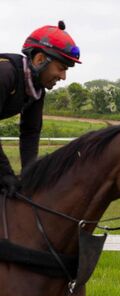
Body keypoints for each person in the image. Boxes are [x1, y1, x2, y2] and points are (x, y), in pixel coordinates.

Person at [0, 21, 80, 195]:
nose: (63, 77)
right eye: (61, 68)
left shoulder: (36, 91)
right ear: (39, 59)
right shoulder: (5, 73)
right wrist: (5, 173)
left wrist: (30, 178)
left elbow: (30, 133)